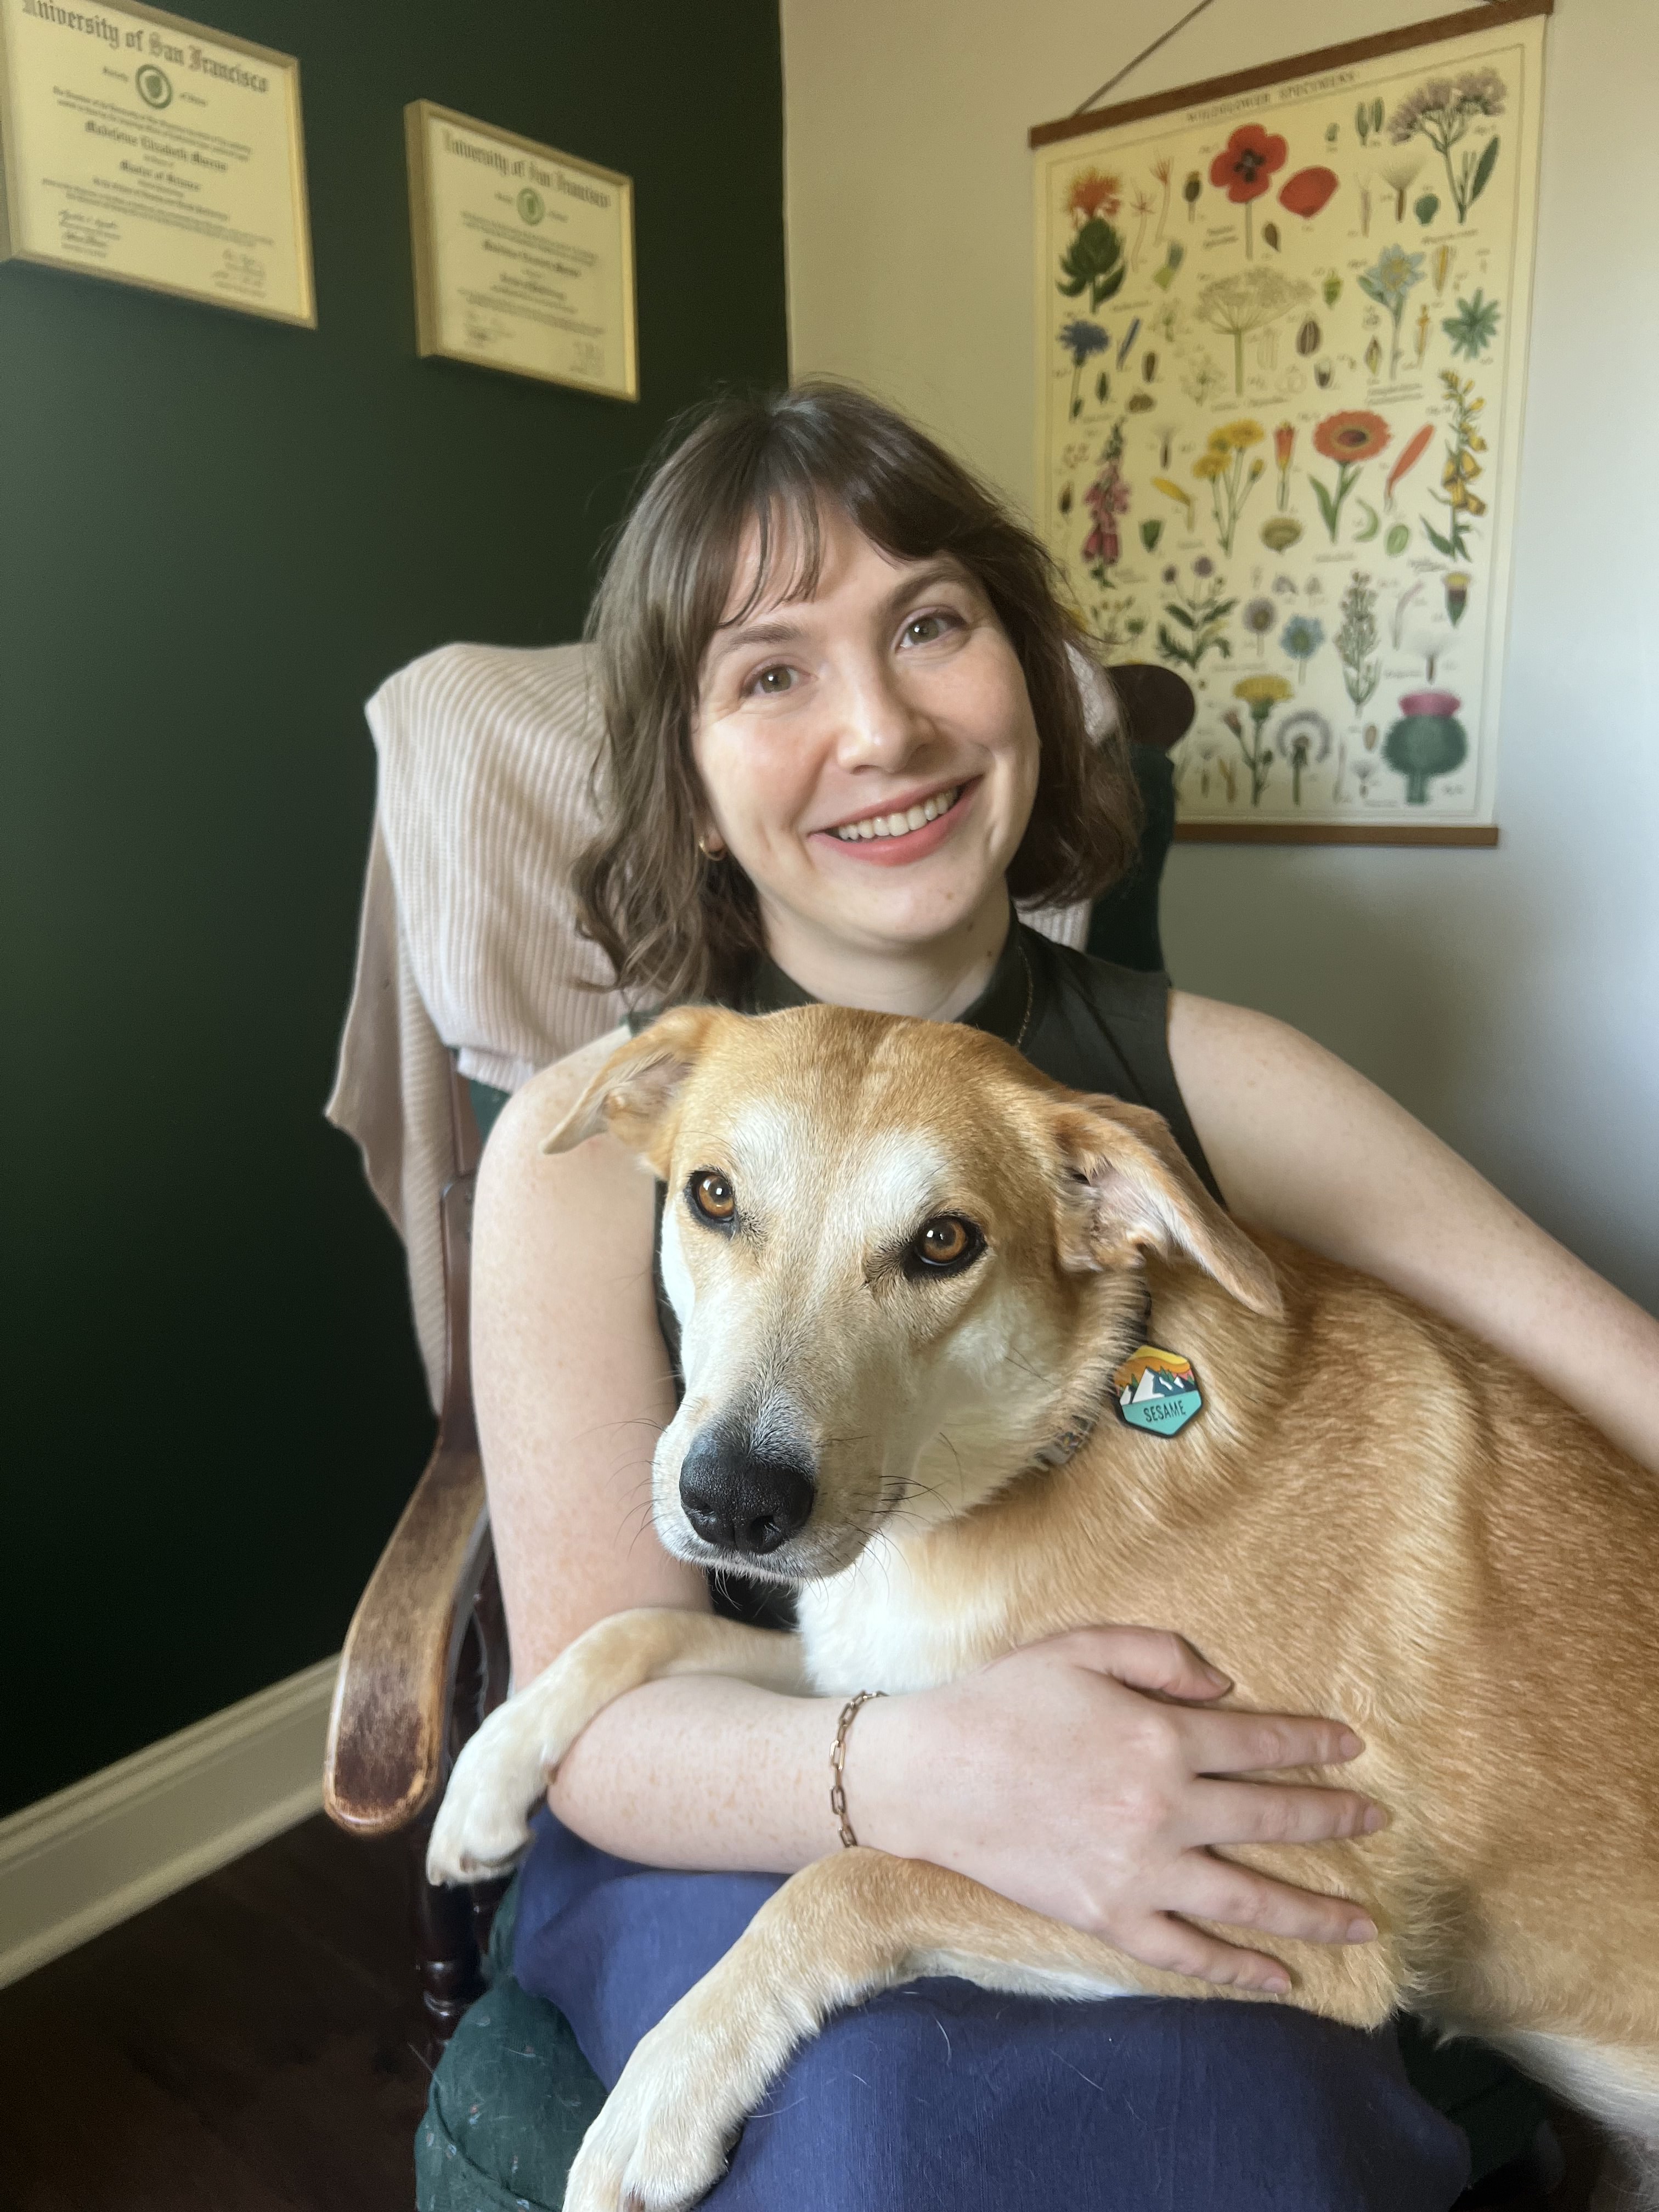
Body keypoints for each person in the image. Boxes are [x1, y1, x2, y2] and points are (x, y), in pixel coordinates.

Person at [470, 383, 1659, 2210]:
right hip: (724, 1806)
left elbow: (1611, 1374)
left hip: (1195, 1856)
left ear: (1029, 678)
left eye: (932, 626)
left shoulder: (1202, 1089)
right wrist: (914, 1794)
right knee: (888, 2141)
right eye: (772, 673)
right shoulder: (596, 1126)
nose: (879, 725)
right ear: (686, 778)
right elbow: (620, 1739)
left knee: (1214, 2126)